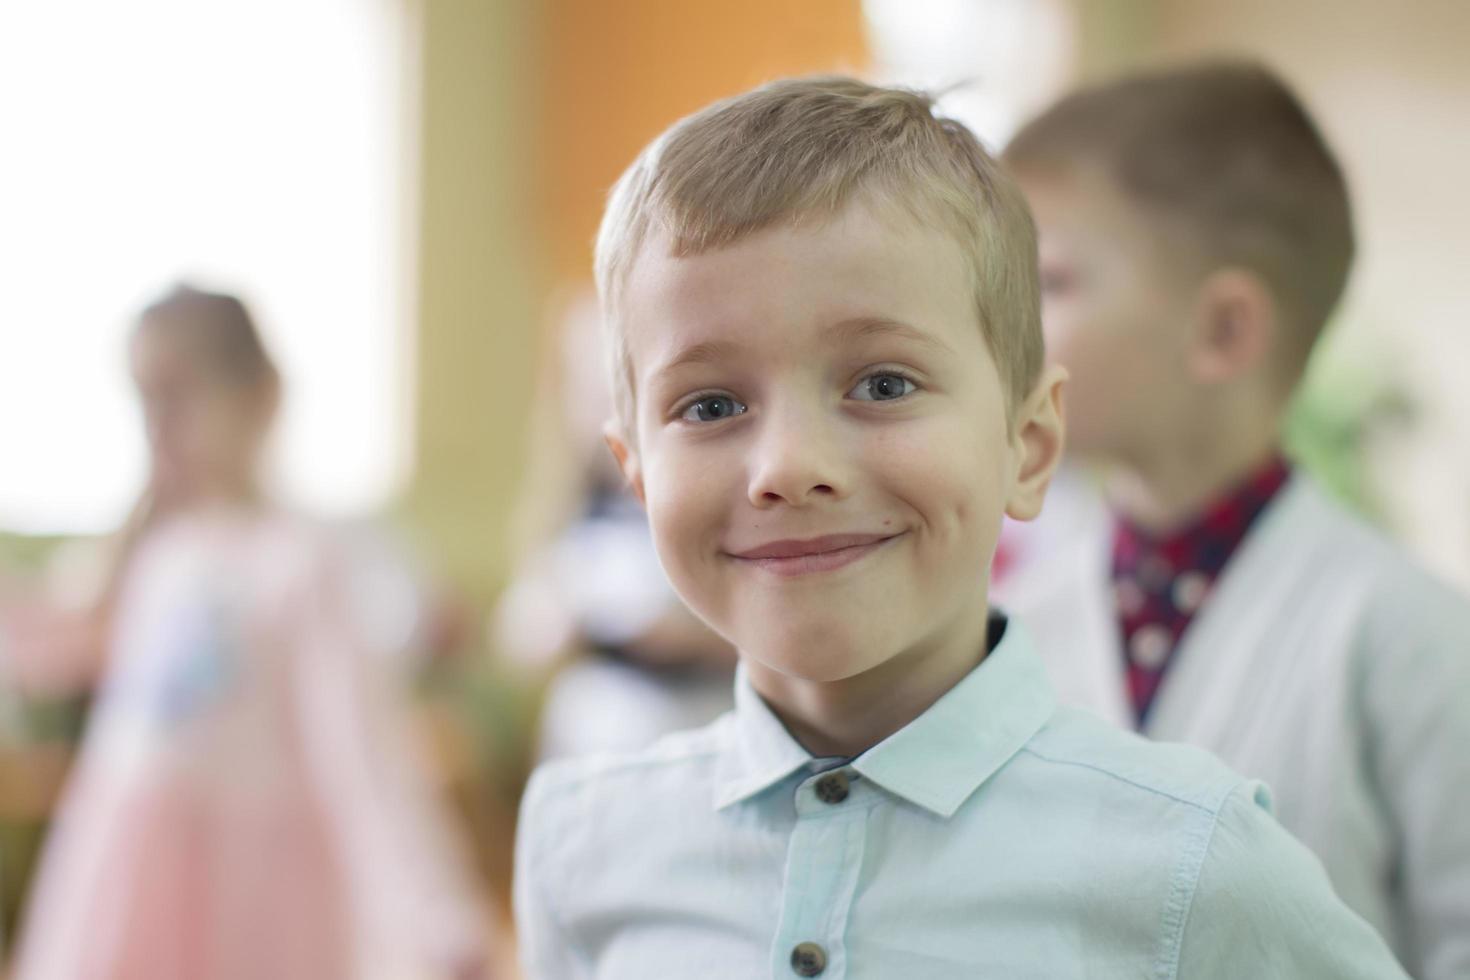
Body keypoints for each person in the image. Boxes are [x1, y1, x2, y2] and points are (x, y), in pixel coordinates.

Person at [512, 76, 1408, 978]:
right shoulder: (581, 847)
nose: (786, 467)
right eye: (710, 403)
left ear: (1026, 445)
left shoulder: (1198, 870)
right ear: (633, 474)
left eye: (884, 384)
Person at [994, 61, 1470, 980]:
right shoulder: (1009, 628)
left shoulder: (1414, 638)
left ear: (1223, 332)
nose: (1003, 330)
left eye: (1048, 283)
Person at [9, 286, 494, 979]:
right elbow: (55, 649)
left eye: (180, 394)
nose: (158, 425)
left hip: (250, 900)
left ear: (258, 397)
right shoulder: (154, 553)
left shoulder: (300, 561)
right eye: (145, 398)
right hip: (126, 875)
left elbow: (361, 757)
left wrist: (437, 919)